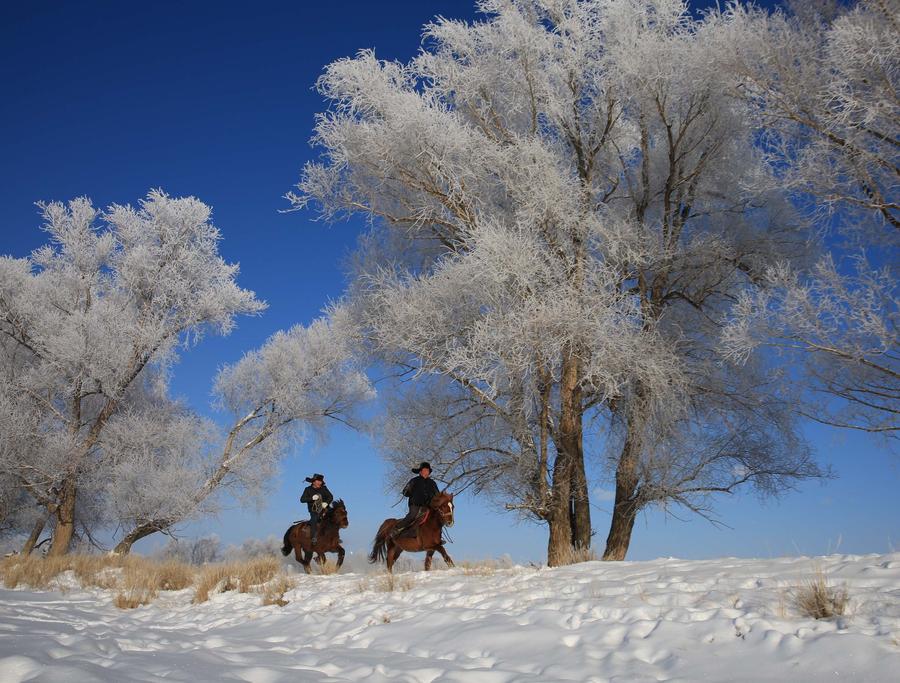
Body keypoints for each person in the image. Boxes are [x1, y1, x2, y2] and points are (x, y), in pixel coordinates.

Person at [391, 461, 440, 539]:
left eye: (427, 471)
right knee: (412, 515)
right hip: (415, 504)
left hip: (428, 505)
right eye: (424, 470)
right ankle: (396, 528)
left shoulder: (432, 483)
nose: (426, 472)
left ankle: (437, 537)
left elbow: (437, 495)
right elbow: (405, 491)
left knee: (435, 518)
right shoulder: (414, 480)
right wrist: (411, 493)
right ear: (420, 472)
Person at [300, 473, 333, 546]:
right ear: (313, 481)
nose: (319, 483)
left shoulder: (324, 488)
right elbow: (302, 500)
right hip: (314, 509)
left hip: (325, 508)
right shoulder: (307, 489)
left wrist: (326, 503)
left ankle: (334, 536)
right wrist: (311, 498)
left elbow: (330, 497)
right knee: (314, 519)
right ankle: (314, 537)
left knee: (334, 517)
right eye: (318, 481)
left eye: (321, 481)